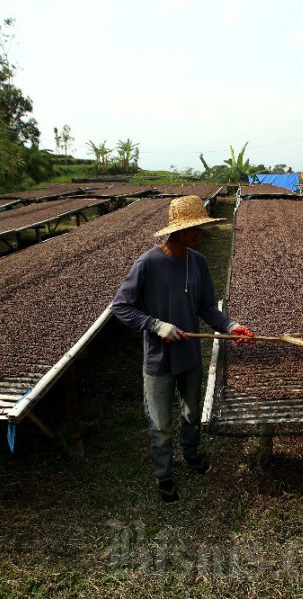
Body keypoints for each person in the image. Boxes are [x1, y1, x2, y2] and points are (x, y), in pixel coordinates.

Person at [111, 195, 254, 504]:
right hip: (158, 360)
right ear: (177, 231)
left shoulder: (198, 262)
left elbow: (207, 308)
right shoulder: (148, 263)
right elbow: (121, 307)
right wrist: (155, 325)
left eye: (201, 228)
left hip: (189, 356)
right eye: (195, 229)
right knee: (160, 423)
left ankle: (191, 453)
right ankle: (164, 473)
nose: (200, 234)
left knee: (190, 413)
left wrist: (230, 326)